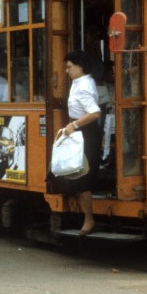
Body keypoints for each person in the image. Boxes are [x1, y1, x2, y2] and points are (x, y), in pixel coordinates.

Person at [49, 49, 102, 235]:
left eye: (70, 67)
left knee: (83, 175)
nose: (67, 70)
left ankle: (89, 219)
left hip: (85, 132)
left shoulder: (82, 86)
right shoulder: (83, 81)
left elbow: (95, 112)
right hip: (83, 130)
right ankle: (84, 216)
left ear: (80, 67)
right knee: (77, 171)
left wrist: (74, 125)